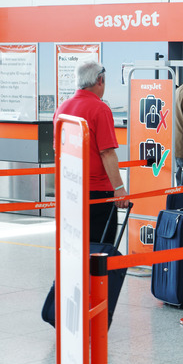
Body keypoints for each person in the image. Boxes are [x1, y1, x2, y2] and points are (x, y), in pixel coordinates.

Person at [53, 61, 129, 244]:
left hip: (69, 188)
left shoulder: (62, 108)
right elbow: (107, 153)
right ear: (100, 80)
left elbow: (58, 150)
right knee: (100, 248)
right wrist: (119, 189)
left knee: (74, 244)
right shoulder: (100, 109)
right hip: (97, 193)